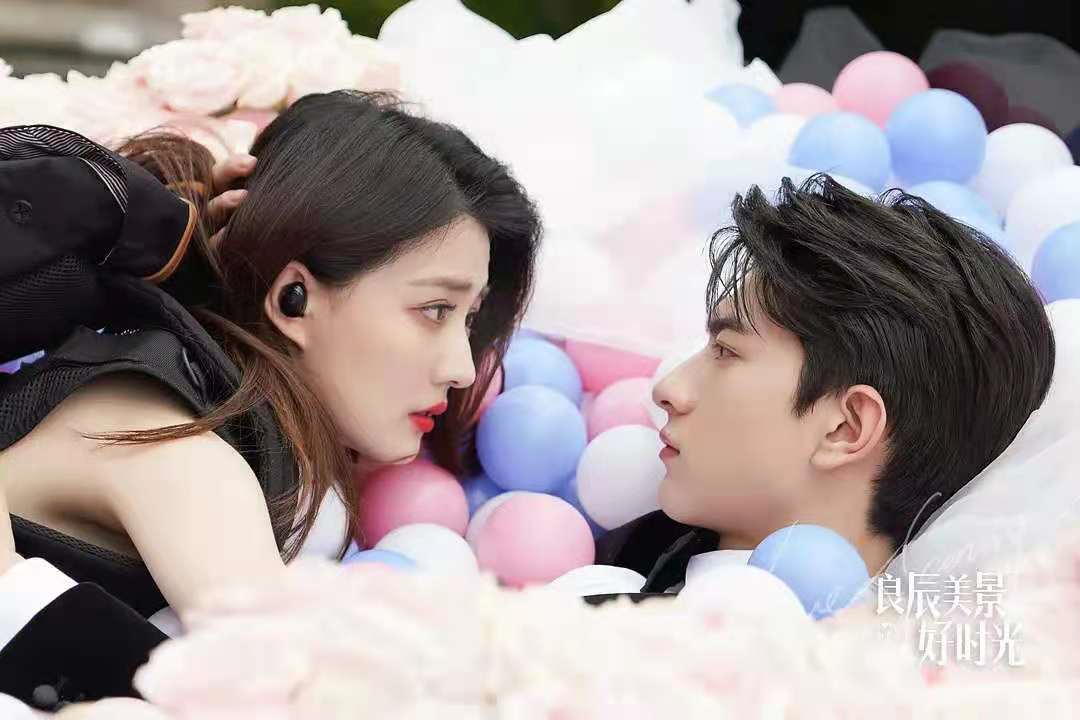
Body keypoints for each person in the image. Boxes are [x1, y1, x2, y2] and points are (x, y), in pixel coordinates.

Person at [0, 89, 540, 706]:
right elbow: (290, 702)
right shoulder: (172, 452)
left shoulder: (230, 427)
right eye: (435, 309)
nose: (463, 369)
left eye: (468, 319)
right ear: (294, 299)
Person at [596, 174, 1055, 594]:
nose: (668, 389)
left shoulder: (640, 638)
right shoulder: (631, 558)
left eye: (727, 351)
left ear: (846, 428)